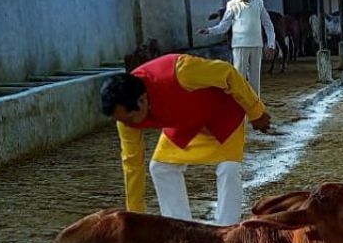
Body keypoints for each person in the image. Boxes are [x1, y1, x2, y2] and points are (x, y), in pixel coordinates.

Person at [100, 52, 271, 225]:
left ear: (142, 100)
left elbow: (228, 73)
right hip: (183, 124)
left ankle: (226, 228)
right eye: (122, 121)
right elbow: (132, 165)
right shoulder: (124, 120)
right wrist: (134, 219)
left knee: (229, 169)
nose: (127, 125)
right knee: (160, 167)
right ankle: (180, 227)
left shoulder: (181, 71)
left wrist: (255, 111)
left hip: (221, 114)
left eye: (128, 119)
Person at [200, 0, 276, 95]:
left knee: (255, 80)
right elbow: (224, 26)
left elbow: (268, 25)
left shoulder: (259, 3)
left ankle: (254, 108)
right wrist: (210, 30)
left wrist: (271, 44)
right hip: (240, 46)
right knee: (239, 78)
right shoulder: (232, 4)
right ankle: (239, 109)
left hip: (257, 45)